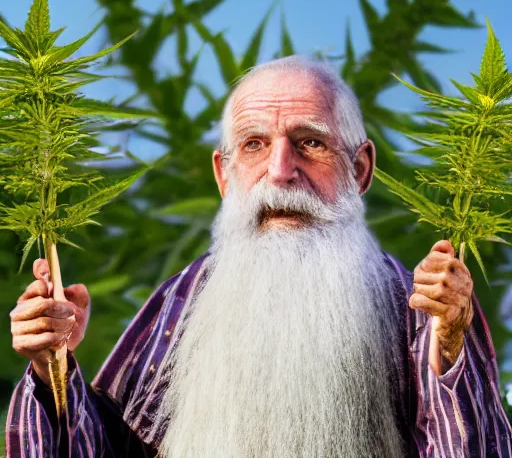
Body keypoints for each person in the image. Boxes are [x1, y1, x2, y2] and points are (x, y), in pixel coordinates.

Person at [7, 57, 512, 457]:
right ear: (224, 176)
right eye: (253, 145)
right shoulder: (185, 302)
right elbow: (115, 449)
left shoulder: (422, 310)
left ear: (360, 169)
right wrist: (55, 368)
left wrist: (449, 350)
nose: (280, 171)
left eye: (309, 142)